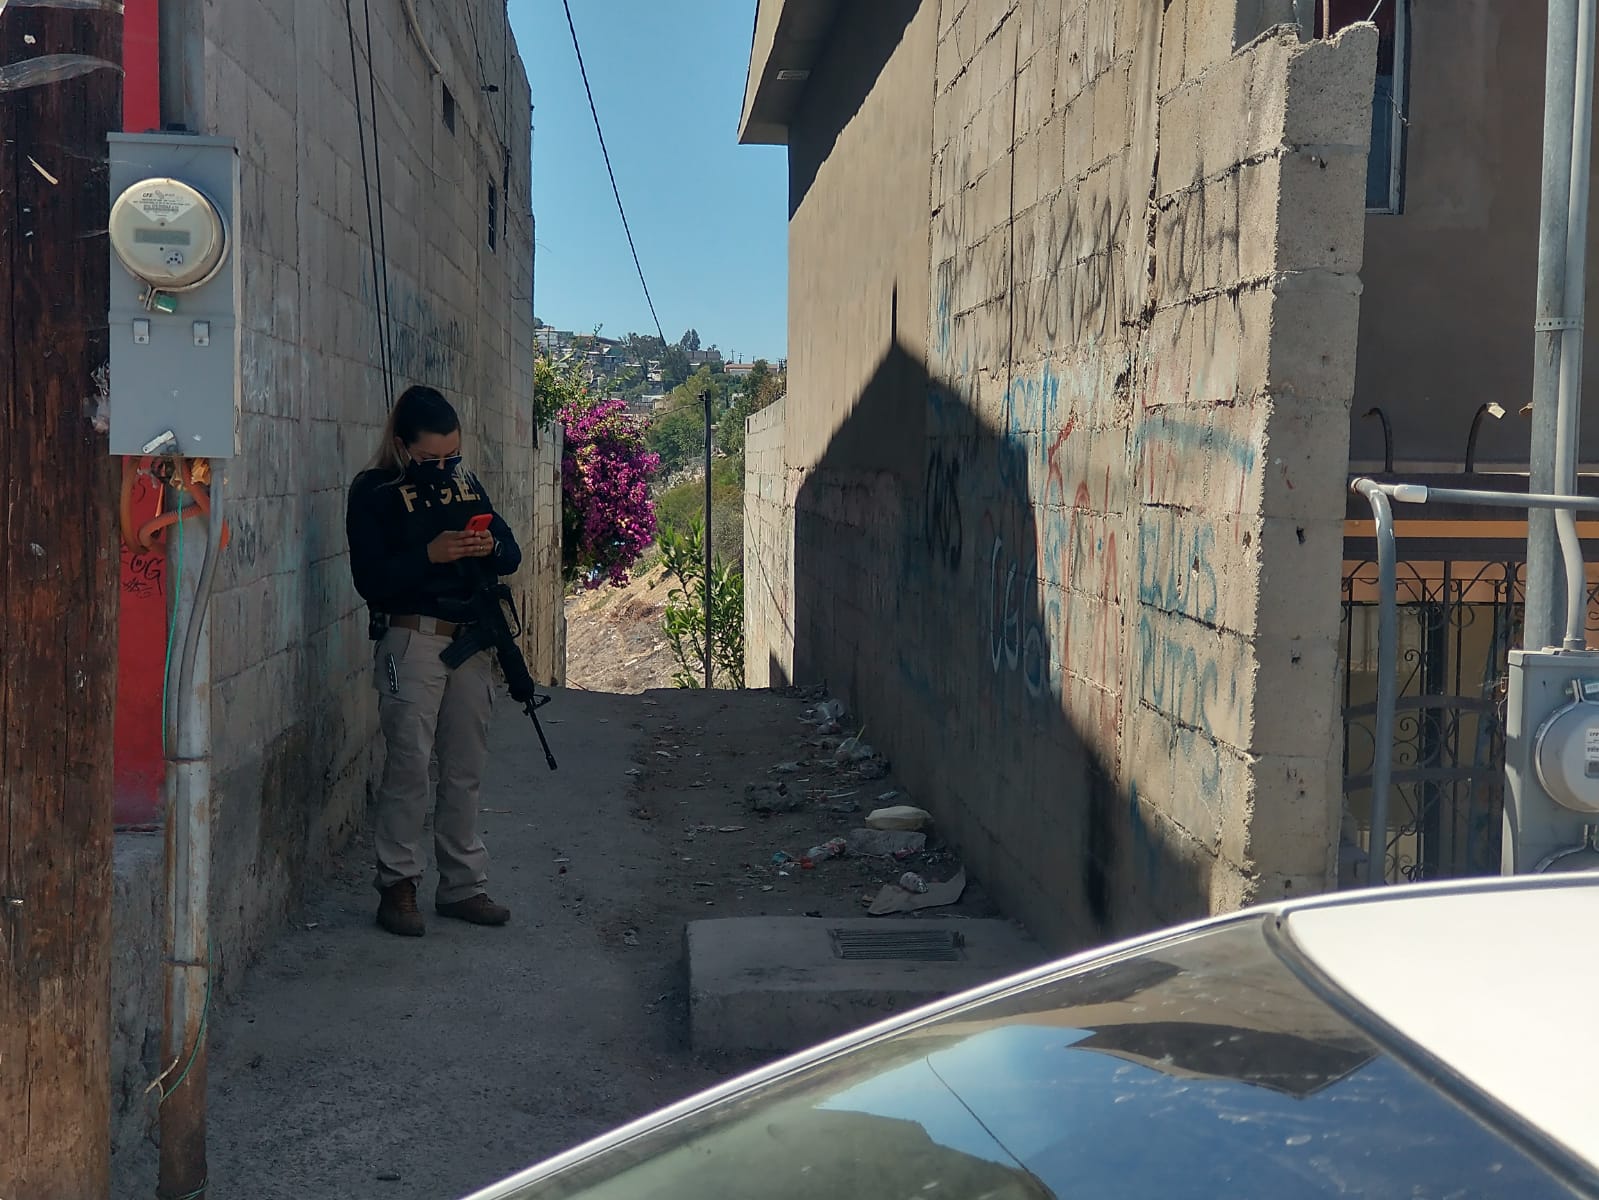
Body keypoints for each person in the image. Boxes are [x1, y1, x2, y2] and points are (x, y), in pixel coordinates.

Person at [346, 385, 522, 937]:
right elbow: (370, 579)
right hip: (412, 636)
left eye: (452, 456)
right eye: (431, 459)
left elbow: (510, 549)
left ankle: (463, 885)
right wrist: (431, 555)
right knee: (409, 766)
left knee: (465, 767)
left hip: (469, 639)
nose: (444, 467)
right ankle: (398, 885)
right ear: (402, 446)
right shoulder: (373, 491)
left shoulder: (465, 484)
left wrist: (486, 547)